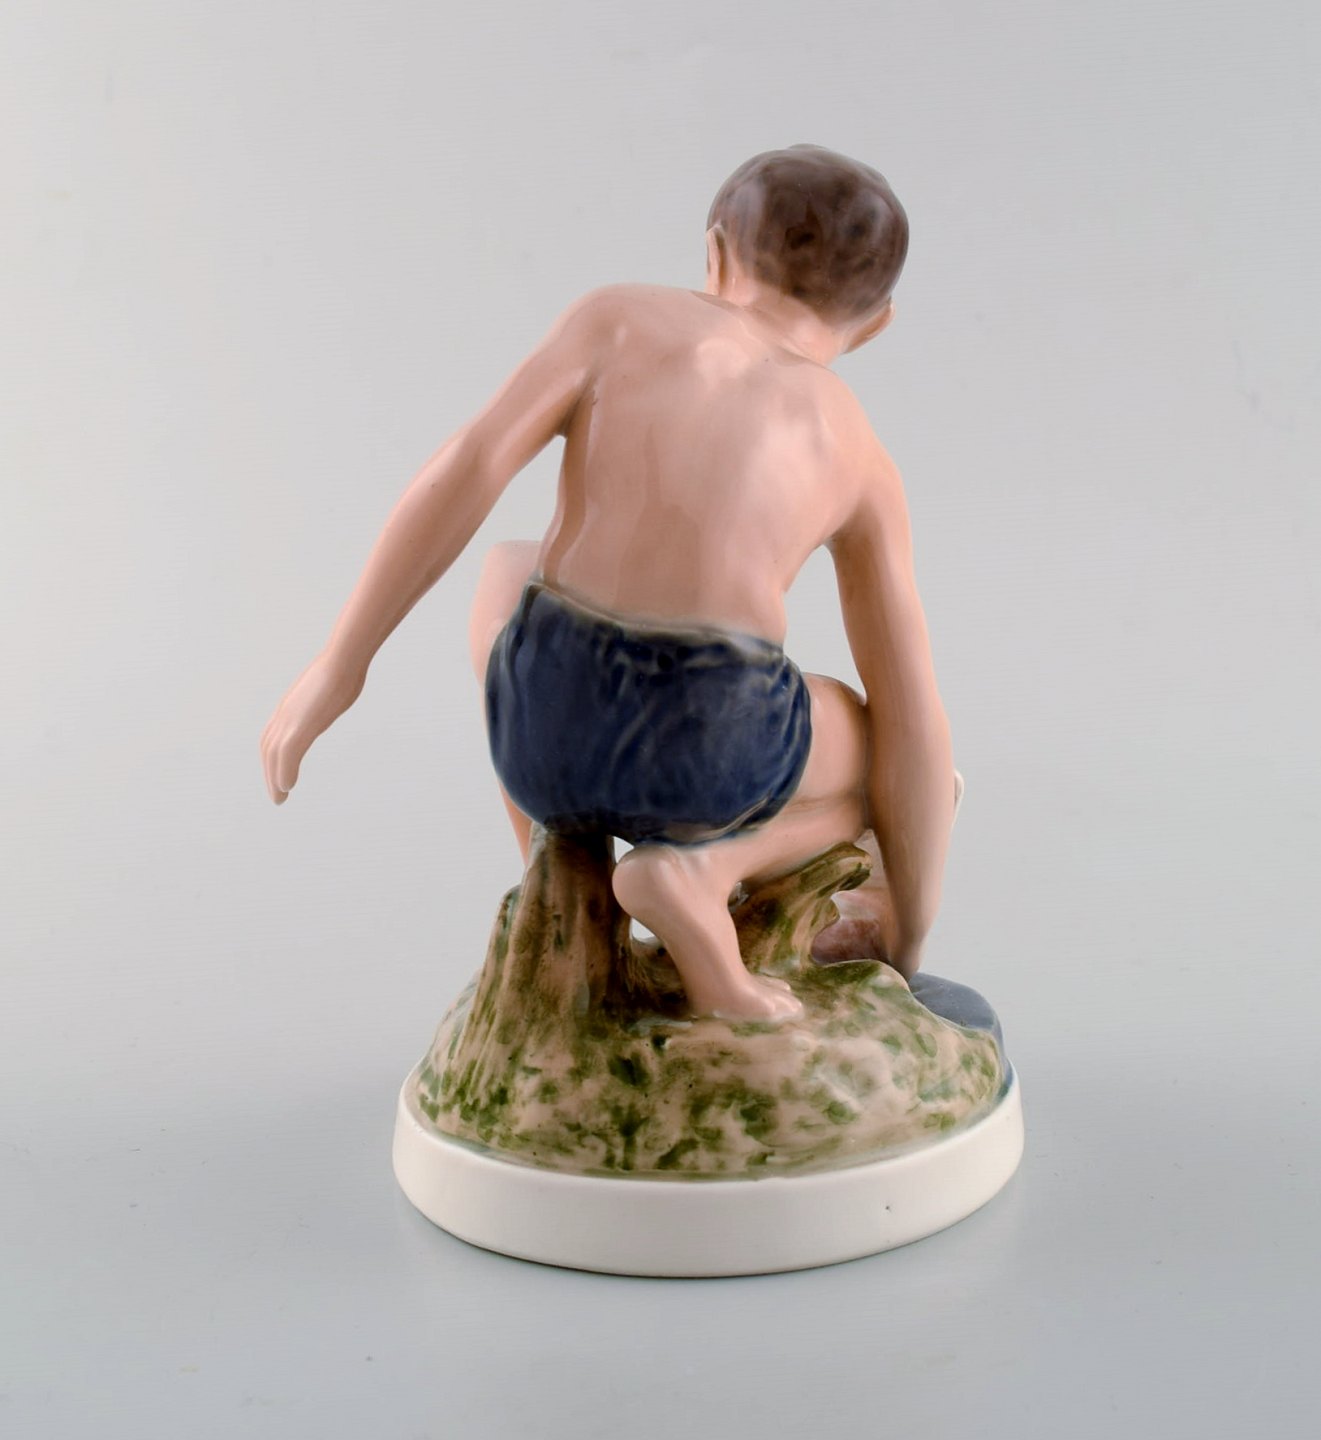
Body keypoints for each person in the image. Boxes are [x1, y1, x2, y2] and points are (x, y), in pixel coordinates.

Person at [260, 144, 956, 1023]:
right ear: (876, 323)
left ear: (713, 254)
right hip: (710, 755)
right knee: (885, 744)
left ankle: (561, 868)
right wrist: (908, 934)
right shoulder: (857, 452)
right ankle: (699, 872)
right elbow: (911, 709)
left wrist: (341, 664)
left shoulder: (617, 319)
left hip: (541, 726)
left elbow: (470, 465)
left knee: (507, 568)